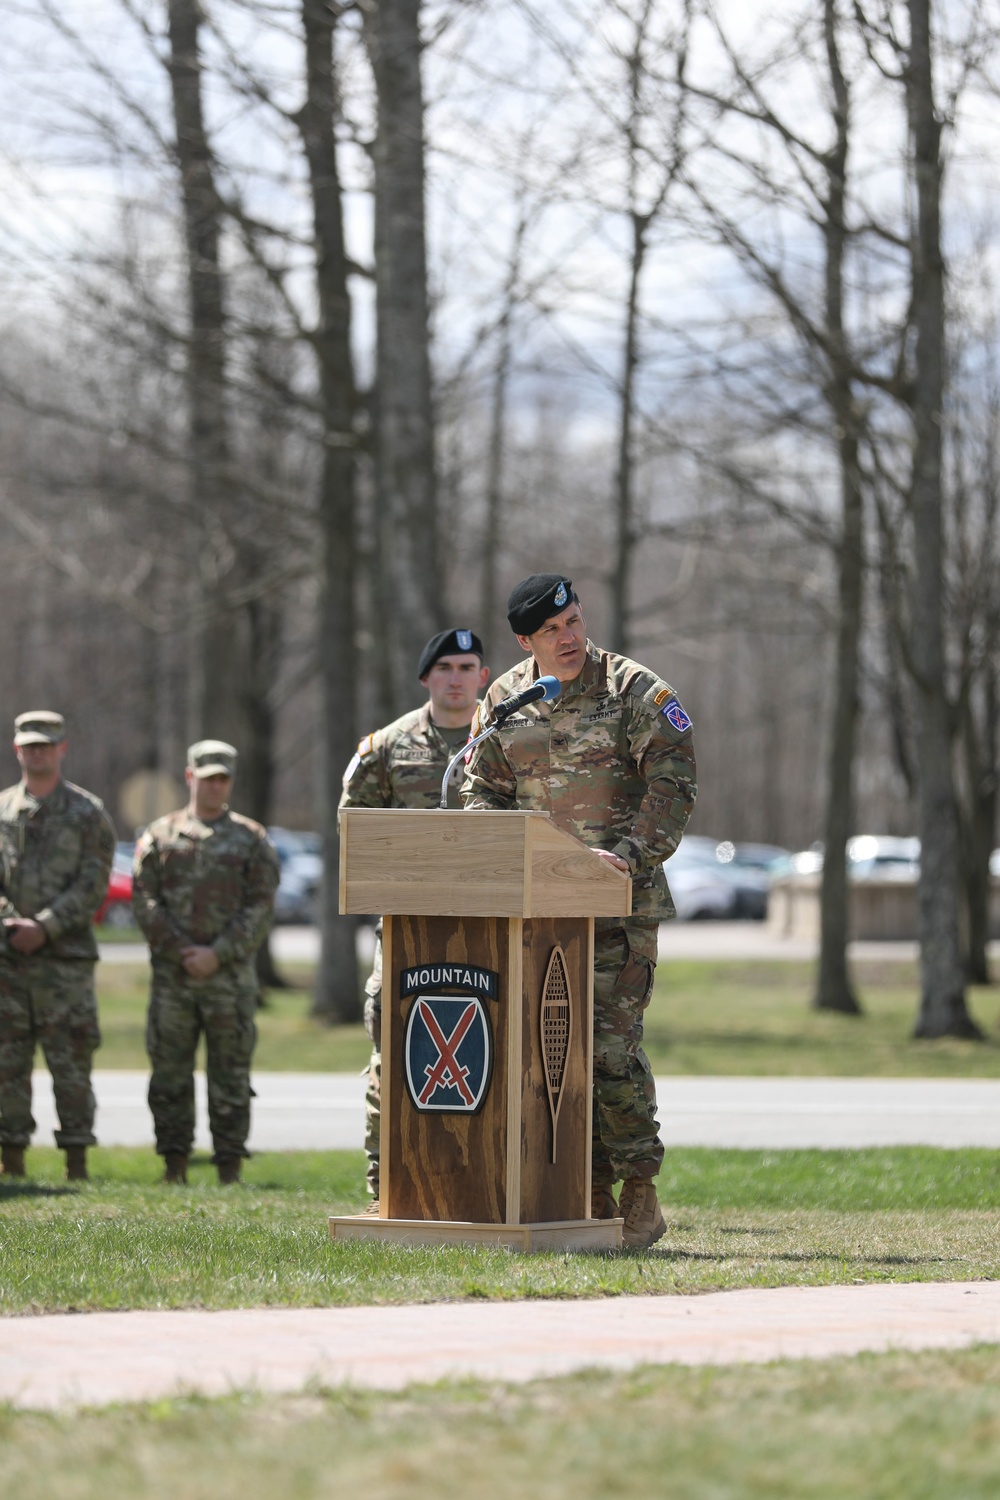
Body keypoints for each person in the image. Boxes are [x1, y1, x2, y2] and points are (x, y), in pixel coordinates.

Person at [462, 575, 697, 1248]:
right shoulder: (505, 701)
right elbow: (481, 785)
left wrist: (627, 853)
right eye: (551, 631)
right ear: (524, 641)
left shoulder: (635, 691)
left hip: (619, 903)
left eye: (573, 622)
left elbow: (675, 783)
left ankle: (639, 1186)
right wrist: (501, 856)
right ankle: (585, 1190)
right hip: (536, 911)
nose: (568, 638)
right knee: (549, 1054)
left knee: (609, 1050)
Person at [339, 629, 490, 1208]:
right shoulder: (387, 747)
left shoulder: (503, 739)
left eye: (468, 667)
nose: (456, 678)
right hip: (406, 929)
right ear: (426, 677)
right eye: (445, 667)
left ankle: (478, 1178)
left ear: (483, 676)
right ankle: (386, 1186)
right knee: (392, 1051)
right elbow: (355, 834)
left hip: (487, 929)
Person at [132, 740, 279, 1185]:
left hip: (229, 981)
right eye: (207, 776)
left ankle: (229, 1168)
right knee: (170, 1075)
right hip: (173, 979)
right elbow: (144, 900)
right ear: (189, 776)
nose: (215, 785)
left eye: (223, 778)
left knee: (231, 1077)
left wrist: (217, 953)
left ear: (231, 781)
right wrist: (182, 951)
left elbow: (261, 906)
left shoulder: (251, 839)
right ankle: (174, 1164)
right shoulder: (159, 836)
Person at [0, 710, 115, 1182]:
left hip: (64, 965)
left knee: (71, 1067)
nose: (38, 752)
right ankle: (12, 1164)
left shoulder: (88, 813)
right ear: (16, 750)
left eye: (46, 744)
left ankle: (76, 1167)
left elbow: (94, 882)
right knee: (7, 1067)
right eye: (30, 745)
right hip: (8, 962)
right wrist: (10, 923)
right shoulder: (2, 810)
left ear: (62, 749)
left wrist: (45, 926)